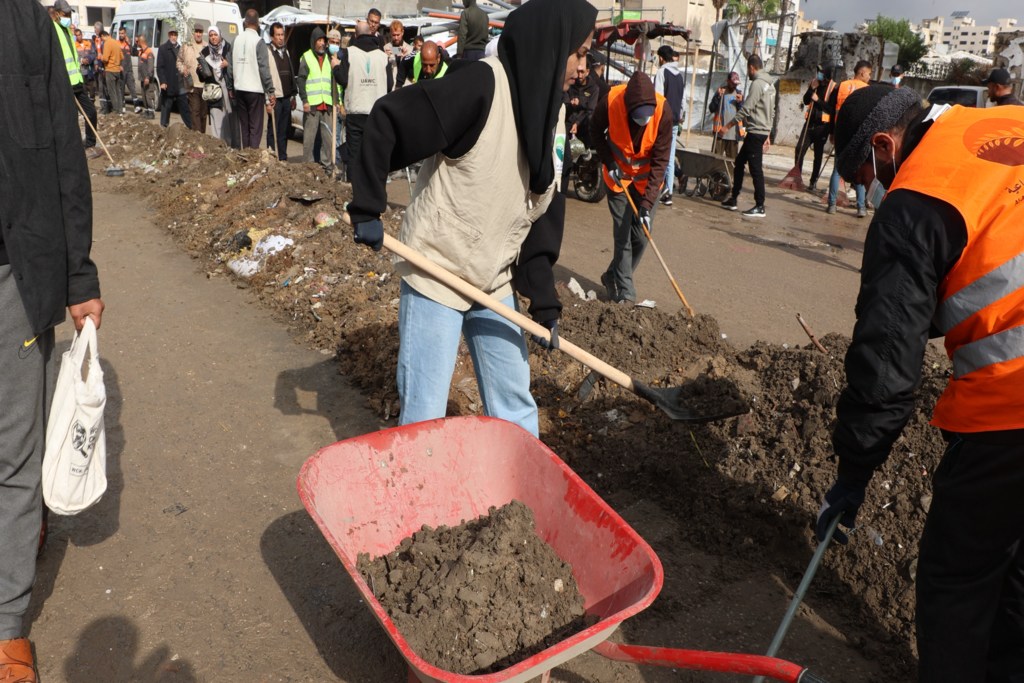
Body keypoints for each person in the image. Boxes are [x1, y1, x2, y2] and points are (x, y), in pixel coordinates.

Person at [815, 83, 1024, 683]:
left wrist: (853, 474)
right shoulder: (1000, 123)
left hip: (1010, 409)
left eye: (865, 176)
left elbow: (885, 367)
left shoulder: (915, 198)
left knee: (957, 582)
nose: (872, 189)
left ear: (885, 144)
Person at [348, 0, 597, 437]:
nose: (583, 69)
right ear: (552, 47)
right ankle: (418, 480)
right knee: (424, 412)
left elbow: (542, 209)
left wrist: (543, 300)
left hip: (494, 278)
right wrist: (368, 205)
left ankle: (519, 481)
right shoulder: (481, 86)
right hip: (438, 271)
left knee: (514, 403)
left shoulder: (551, 114)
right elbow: (390, 120)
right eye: (579, 54)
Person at [0, 3, 104, 680]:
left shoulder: (27, 23)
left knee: (15, 453)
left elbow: (65, 150)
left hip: (15, 275)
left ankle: (5, 623)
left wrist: (78, 275)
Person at [593, 71, 673, 304]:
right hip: (618, 180)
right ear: (628, 109)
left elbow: (660, 162)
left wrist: (647, 204)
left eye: (647, 115)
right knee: (623, 236)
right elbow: (595, 131)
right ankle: (626, 293)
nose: (644, 120)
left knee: (641, 237)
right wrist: (609, 163)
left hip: (646, 183)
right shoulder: (610, 102)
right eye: (639, 116)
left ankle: (612, 275)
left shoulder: (663, 111)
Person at [334, 21, 390, 181]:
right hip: (377, 113)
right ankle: (374, 186)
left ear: (355, 35)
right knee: (374, 154)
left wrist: (335, 67)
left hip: (356, 111)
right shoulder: (383, 56)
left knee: (354, 154)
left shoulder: (350, 53)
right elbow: (389, 84)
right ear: (371, 34)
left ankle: (354, 188)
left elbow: (342, 79)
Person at [721, 55, 775, 218]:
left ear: (752, 67)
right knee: (739, 162)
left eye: (748, 69)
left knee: (755, 169)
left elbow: (746, 109)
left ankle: (760, 205)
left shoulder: (757, 84)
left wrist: (728, 126)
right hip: (760, 131)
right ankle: (734, 198)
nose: (748, 73)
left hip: (756, 131)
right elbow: (772, 111)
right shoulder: (770, 84)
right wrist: (768, 133)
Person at [825, 59, 872, 216]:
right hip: (859, 135)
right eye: (869, 74)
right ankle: (861, 208)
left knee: (837, 170)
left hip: (841, 133)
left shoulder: (841, 86)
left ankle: (832, 205)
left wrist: (832, 132)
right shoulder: (868, 91)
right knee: (858, 169)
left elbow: (832, 111)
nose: (869, 77)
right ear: (862, 72)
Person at [51, 0, 97, 150]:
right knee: (70, 118)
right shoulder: (53, 30)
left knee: (91, 112)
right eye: (65, 14)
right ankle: (72, 147)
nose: (68, 17)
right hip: (65, 84)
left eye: (69, 14)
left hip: (77, 81)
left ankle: (90, 142)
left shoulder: (68, 31)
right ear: (56, 14)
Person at [231, 9, 275, 149]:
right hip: (254, 90)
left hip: (239, 88)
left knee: (244, 126)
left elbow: (231, 66)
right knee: (255, 127)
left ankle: (246, 152)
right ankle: (253, 154)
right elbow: (264, 69)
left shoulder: (236, 40)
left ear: (245, 22)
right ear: (258, 23)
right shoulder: (259, 42)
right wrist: (270, 90)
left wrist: (231, 87)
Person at [297, 27, 338, 176]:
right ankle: (308, 169)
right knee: (309, 139)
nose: (322, 43)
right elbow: (301, 80)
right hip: (312, 107)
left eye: (323, 41)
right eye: (319, 40)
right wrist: (304, 100)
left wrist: (336, 102)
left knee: (328, 140)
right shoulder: (306, 57)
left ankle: (327, 168)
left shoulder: (329, 58)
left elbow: (333, 82)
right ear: (313, 42)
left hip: (327, 105)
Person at [560, 52, 598, 192]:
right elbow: (564, 101)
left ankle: (584, 152)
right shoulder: (570, 83)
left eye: (582, 72)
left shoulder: (594, 88)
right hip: (568, 123)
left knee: (590, 120)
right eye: (578, 71)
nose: (579, 75)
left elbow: (590, 110)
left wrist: (577, 122)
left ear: (588, 72)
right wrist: (570, 104)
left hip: (582, 127)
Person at [653, 45, 685, 206]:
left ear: (661, 58)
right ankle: (669, 193)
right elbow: (683, 100)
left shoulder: (662, 72)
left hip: (662, 122)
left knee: (658, 155)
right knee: (670, 157)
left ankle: (656, 189)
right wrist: (680, 116)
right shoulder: (680, 76)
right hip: (674, 121)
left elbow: (658, 99)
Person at [198, 26, 237, 148]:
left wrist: (228, 64)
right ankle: (218, 148)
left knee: (229, 120)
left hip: (228, 89)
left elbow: (236, 66)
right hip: (214, 92)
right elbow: (202, 78)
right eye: (211, 35)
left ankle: (230, 146)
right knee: (216, 119)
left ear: (220, 35)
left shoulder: (228, 48)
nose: (213, 37)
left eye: (215, 35)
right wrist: (200, 70)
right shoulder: (205, 52)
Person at [796, 65, 833, 192]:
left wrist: (818, 100)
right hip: (809, 124)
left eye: (821, 73)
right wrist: (811, 89)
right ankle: (797, 177)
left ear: (827, 75)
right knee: (799, 149)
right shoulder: (814, 84)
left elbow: (831, 109)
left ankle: (813, 182)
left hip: (822, 127)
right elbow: (806, 101)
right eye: (818, 72)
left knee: (818, 155)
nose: (819, 75)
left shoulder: (832, 88)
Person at [266, 22, 295, 160]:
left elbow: (290, 73)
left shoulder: (286, 52)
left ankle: (283, 158)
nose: (280, 38)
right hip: (275, 97)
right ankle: (271, 157)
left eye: (282, 34)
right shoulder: (268, 52)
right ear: (272, 37)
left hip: (286, 98)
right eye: (277, 35)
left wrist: (293, 95)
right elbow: (266, 76)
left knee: (284, 131)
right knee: (273, 130)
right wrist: (267, 100)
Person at [157, 29, 192, 128]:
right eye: (171, 35)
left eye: (175, 35)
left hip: (180, 83)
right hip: (168, 83)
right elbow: (160, 67)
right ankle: (164, 127)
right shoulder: (163, 48)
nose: (173, 37)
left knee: (185, 108)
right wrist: (163, 81)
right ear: (169, 35)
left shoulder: (181, 49)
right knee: (166, 107)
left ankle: (191, 128)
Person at [708, 71, 742, 159]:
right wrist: (717, 97)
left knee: (732, 162)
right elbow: (711, 108)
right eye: (733, 83)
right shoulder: (721, 92)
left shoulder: (739, 94)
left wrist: (740, 103)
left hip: (733, 136)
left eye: (736, 84)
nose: (734, 86)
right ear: (728, 81)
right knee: (715, 160)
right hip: (720, 134)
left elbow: (743, 113)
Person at [181, 23, 207, 132]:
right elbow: (179, 61)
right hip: (192, 85)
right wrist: (183, 69)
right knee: (195, 111)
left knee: (203, 114)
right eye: (196, 32)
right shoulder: (186, 46)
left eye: (200, 32)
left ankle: (202, 135)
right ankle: (197, 136)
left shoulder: (206, 47)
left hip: (204, 85)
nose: (198, 34)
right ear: (193, 33)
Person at [99, 29, 124, 114]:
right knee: (118, 91)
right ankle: (120, 110)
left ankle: (116, 110)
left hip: (110, 70)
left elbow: (105, 59)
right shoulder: (116, 42)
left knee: (112, 91)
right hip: (117, 70)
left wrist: (101, 57)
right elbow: (122, 56)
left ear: (102, 36)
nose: (102, 40)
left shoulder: (107, 43)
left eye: (101, 38)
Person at [73, 26, 99, 108]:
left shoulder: (88, 43)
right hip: (81, 70)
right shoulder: (74, 45)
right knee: (84, 89)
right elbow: (74, 57)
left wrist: (95, 63)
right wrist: (82, 61)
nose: (78, 36)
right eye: (76, 35)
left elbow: (94, 54)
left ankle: (92, 103)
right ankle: (87, 106)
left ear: (82, 35)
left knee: (92, 88)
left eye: (79, 35)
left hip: (90, 70)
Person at [117, 25, 139, 113]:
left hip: (129, 69)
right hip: (121, 70)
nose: (121, 35)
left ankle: (136, 106)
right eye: (120, 33)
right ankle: (123, 106)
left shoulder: (128, 43)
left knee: (132, 87)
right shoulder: (117, 43)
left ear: (125, 34)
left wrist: (132, 44)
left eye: (122, 33)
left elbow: (134, 53)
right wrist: (118, 66)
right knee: (121, 88)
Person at [384, 20, 411, 91]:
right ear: (390, 33)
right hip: (391, 88)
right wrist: (385, 58)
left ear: (402, 32)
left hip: (406, 86)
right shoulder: (386, 48)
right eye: (394, 35)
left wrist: (406, 58)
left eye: (398, 35)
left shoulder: (410, 49)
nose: (396, 38)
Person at [136, 34, 157, 119]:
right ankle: (147, 111)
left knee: (149, 95)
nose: (137, 43)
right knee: (144, 95)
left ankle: (151, 112)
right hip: (142, 78)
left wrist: (148, 77)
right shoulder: (141, 51)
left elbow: (150, 67)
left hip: (147, 78)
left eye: (137, 41)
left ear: (141, 41)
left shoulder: (149, 52)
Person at [92, 22, 108, 113]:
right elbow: (95, 52)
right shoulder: (96, 39)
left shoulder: (104, 40)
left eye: (95, 28)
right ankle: (103, 107)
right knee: (100, 87)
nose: (94, 30)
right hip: (98, 65)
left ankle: (106, 107)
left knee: (104, 87)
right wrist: (95, 63)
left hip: (104, 65)